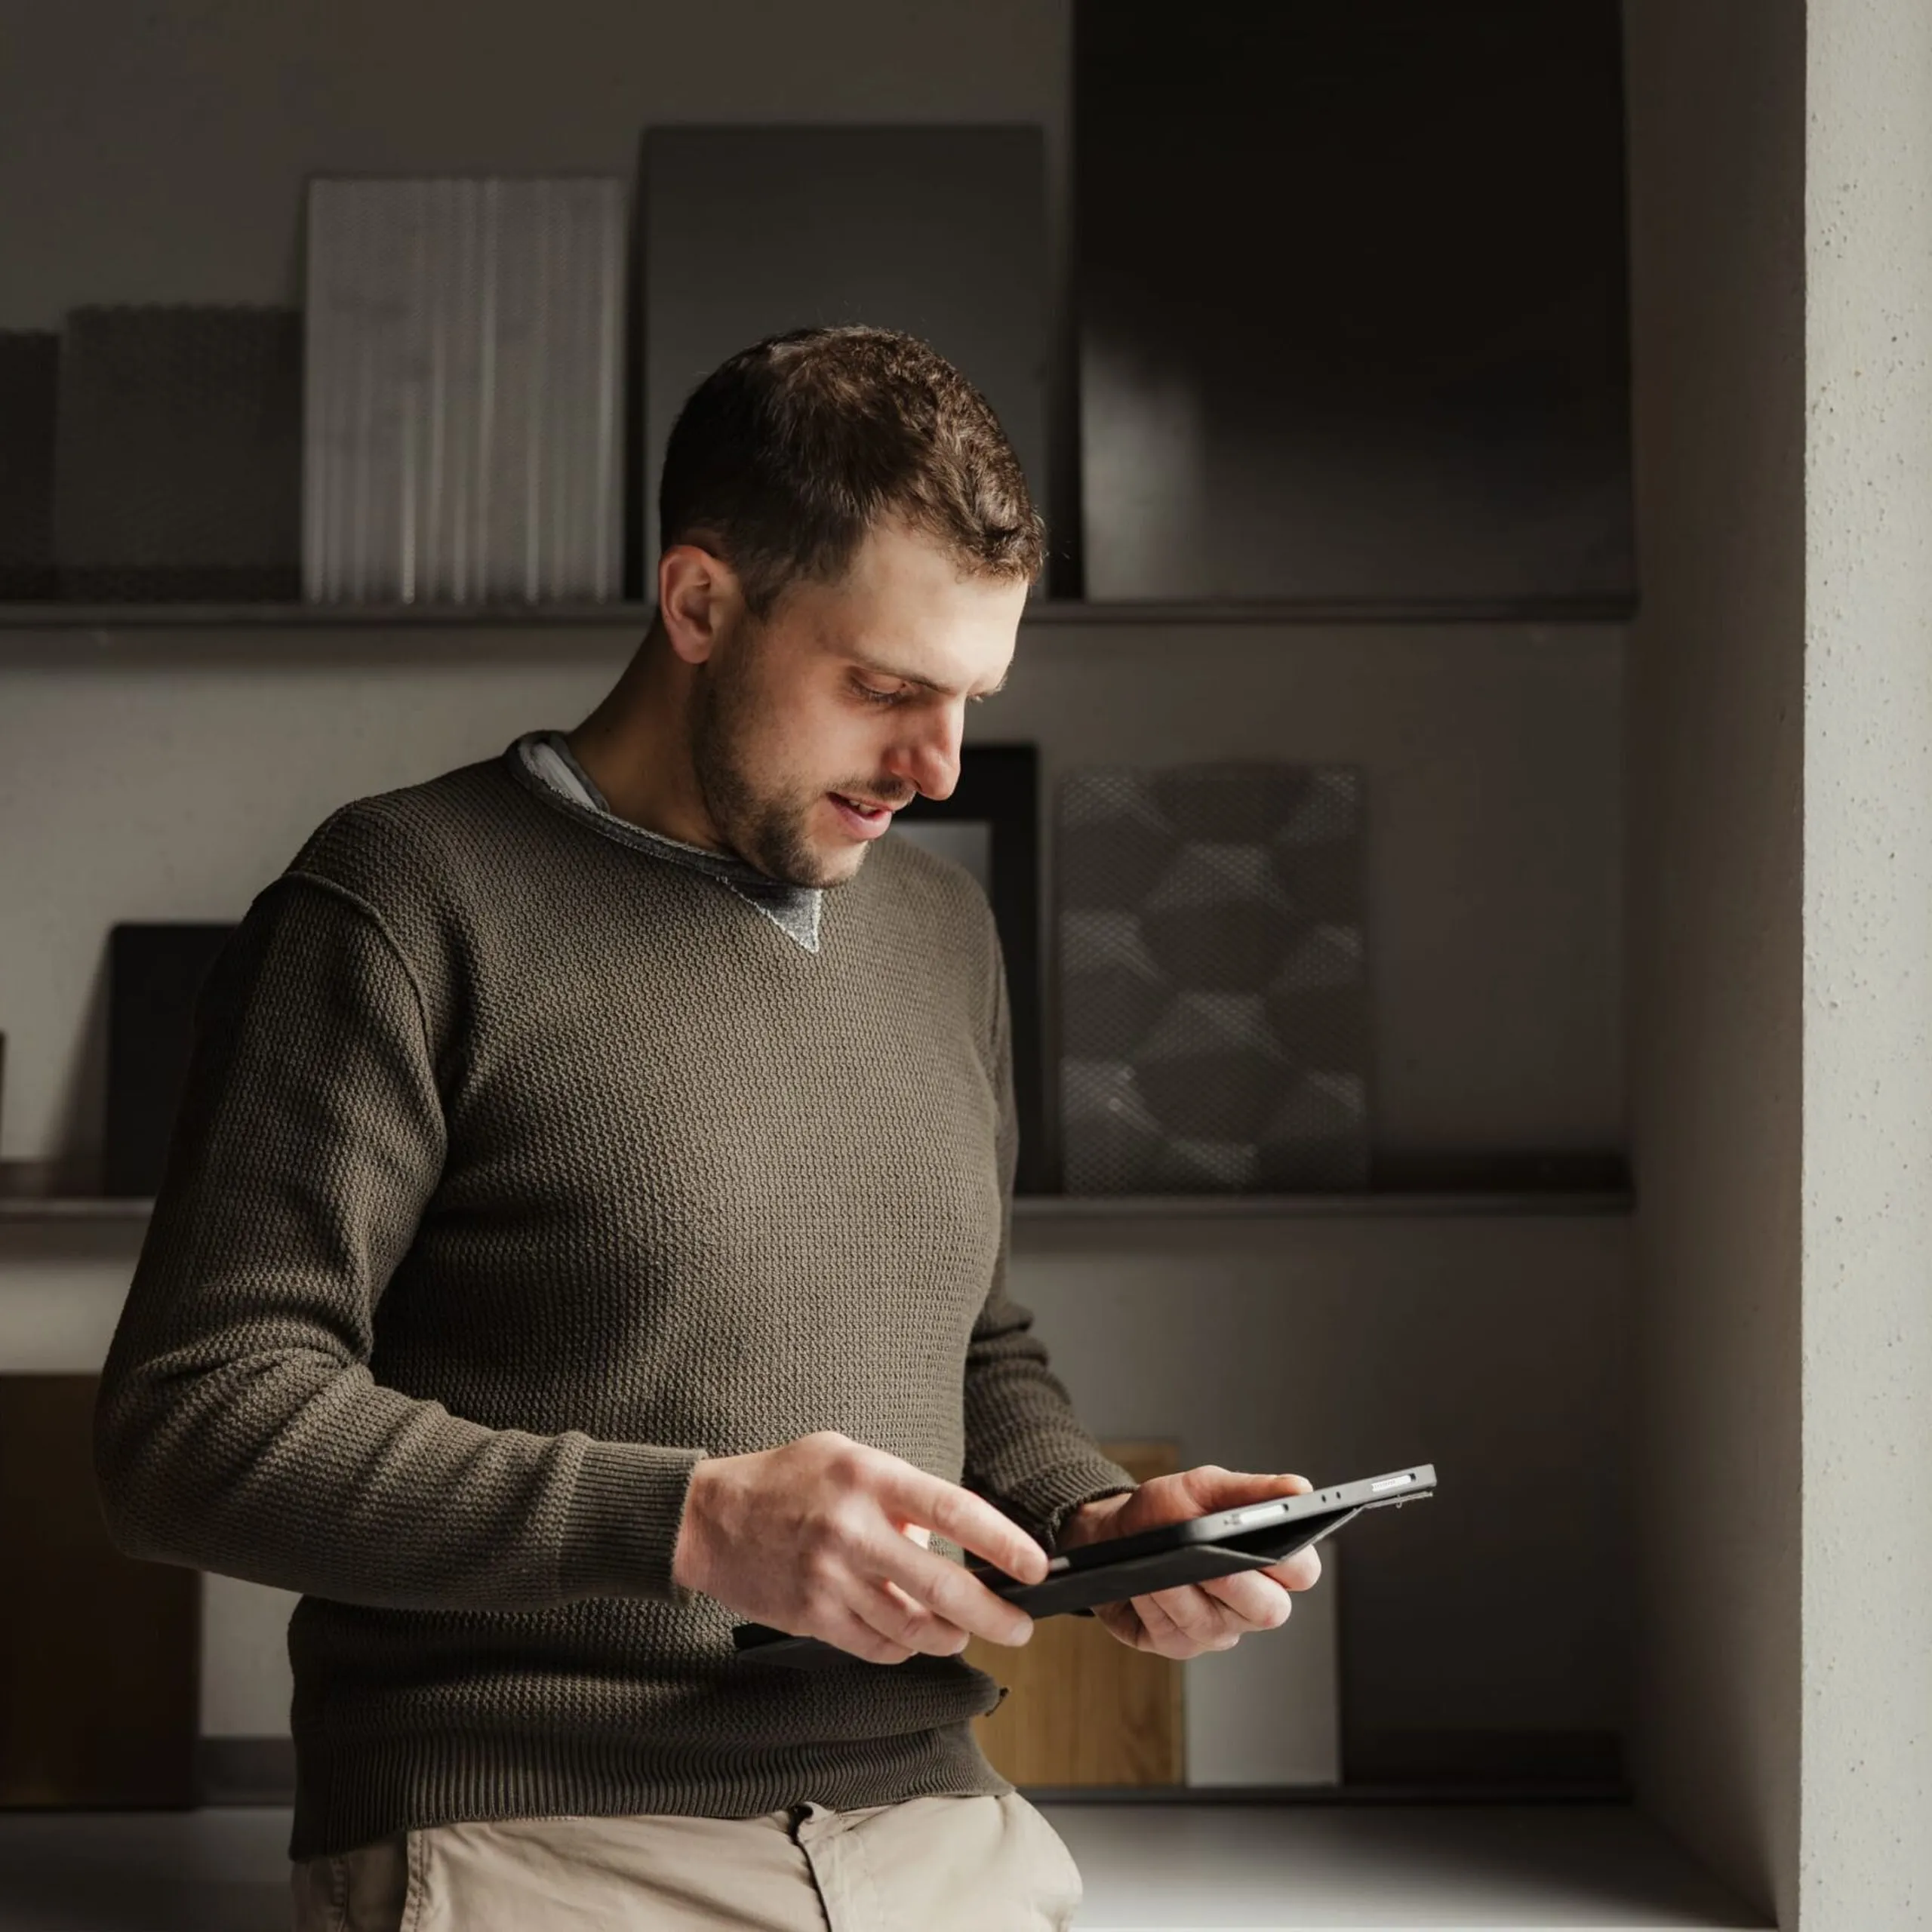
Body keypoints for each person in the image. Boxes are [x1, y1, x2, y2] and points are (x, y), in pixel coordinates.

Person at [93, 325, 1322, 1931]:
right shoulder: (397, 904)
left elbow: (973, 1344)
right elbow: (191, 1426)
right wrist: (690, 1521)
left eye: (968, 698)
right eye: (883, 688)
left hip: (937, 1821)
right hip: (533, 1828)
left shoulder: (941, 933)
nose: (936, 766)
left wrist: (1092, 1520)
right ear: (696, 603)